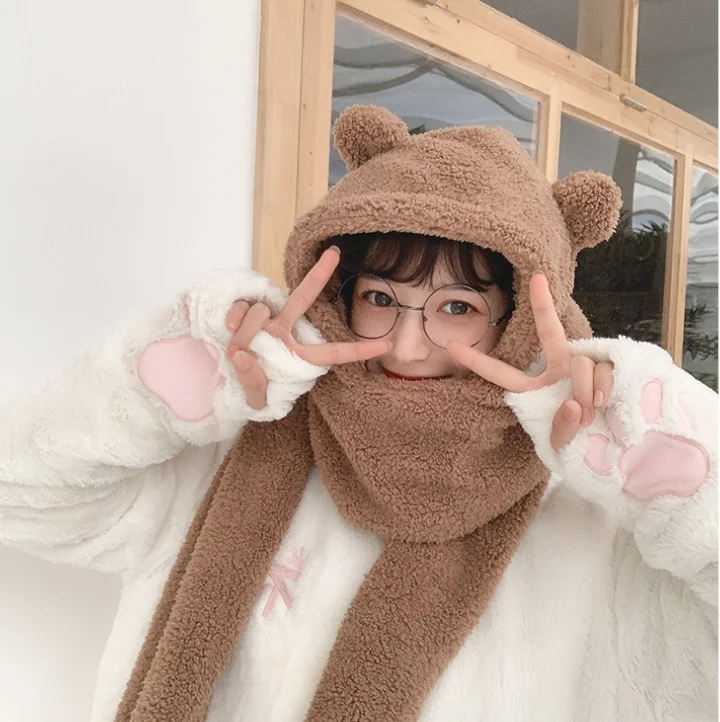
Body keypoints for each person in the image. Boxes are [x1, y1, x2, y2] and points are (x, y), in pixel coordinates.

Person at [0, 105, 715, 722]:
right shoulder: (238, 450)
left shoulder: (586, 523)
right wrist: (187, 371)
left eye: (457, 308)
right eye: (380, 298)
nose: (406, 344)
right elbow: (20, 492)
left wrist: (640, 445)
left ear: (520, 321)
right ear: (341, 292)